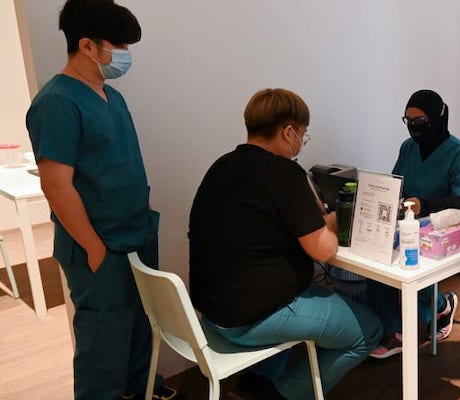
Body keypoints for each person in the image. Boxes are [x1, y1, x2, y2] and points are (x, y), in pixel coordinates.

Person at [25, 1, 182, 399]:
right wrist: (94, 247)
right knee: (104, 343)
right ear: (88, 46)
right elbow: (56, 184)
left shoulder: (112, 96)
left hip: (134, 231)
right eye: (120, 45)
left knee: (140, 323)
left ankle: (142, 388)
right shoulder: (58, 102)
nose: (125, 55)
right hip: (99, 245)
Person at [188, 88, 383, 399]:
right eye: (303, 135)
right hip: (250, 317)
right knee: (368, 331)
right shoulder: (282, 172)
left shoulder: (222, 166)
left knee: (301, 292)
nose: (300, 144)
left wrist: (320, 222)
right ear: (288, 131)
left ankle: (256, 383)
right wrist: (334, 225)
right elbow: (324, 250)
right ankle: (281, 395)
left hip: (210, 312)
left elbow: (263, 227)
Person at [367, 89, 460, 358]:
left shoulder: (459, 154)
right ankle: (396, 332)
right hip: (408, 224)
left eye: (420, 121)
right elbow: (396, 185)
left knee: (414, 273)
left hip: (442, 228)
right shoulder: (409, 148)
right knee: (377, 267)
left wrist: (423, 205)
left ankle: (441, 306)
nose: (414, 128)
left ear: (438, 117)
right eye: (409, 121)